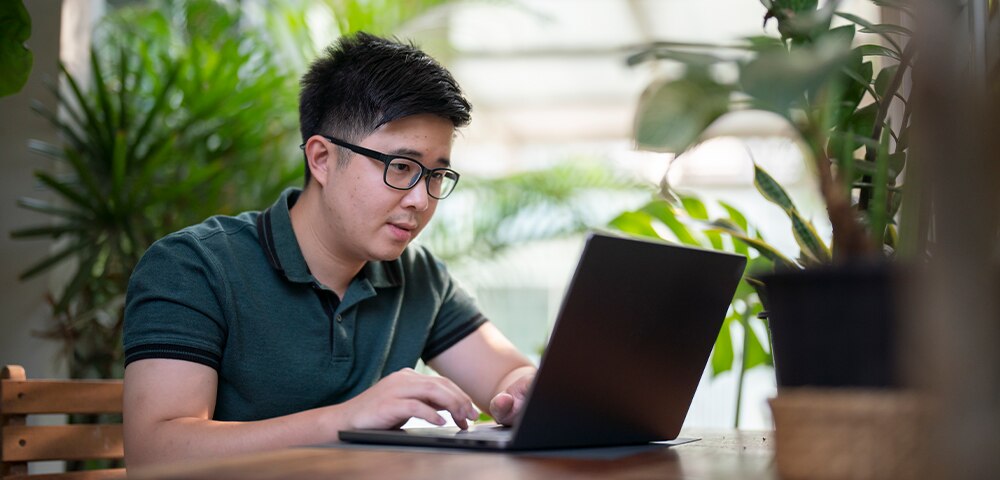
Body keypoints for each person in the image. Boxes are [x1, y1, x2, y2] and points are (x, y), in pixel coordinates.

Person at [122, 32, 536, 468]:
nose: (421, 199)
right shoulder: (194, 266)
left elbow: (506, 375)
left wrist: (524, 390)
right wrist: (347, 420)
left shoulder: (418, 277)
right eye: (401, 167)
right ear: (320, 159)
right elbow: (154, 455)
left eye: (436, 175)